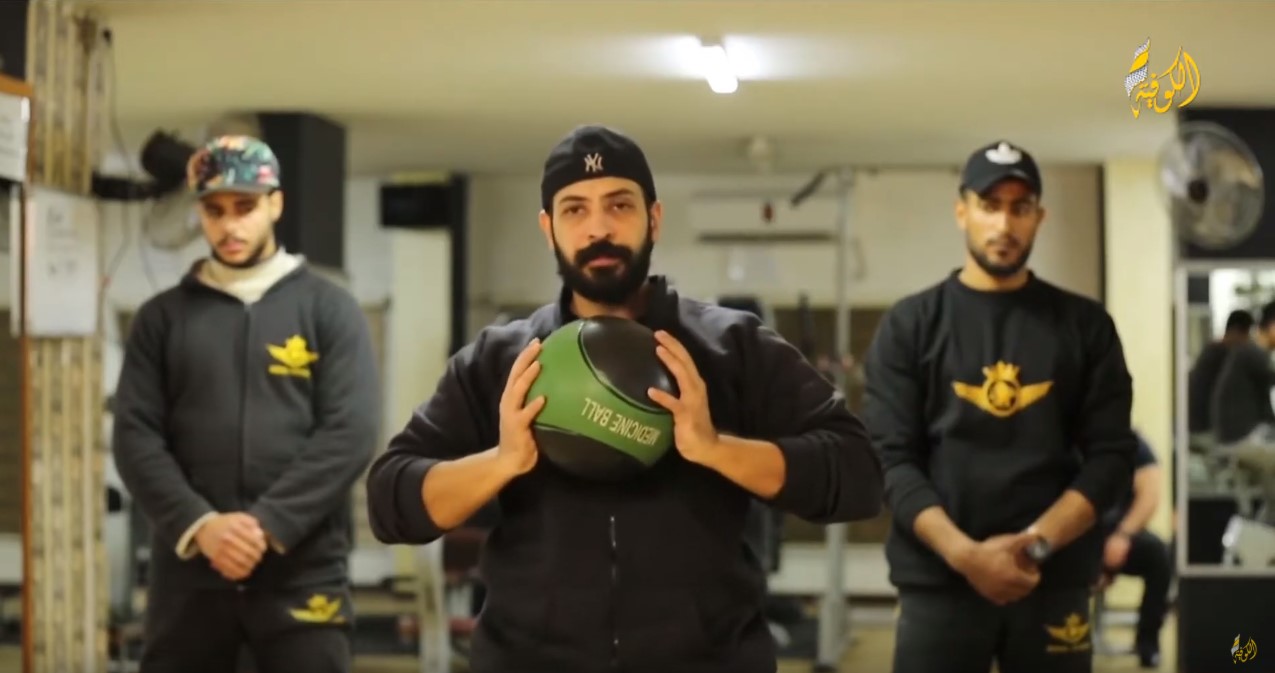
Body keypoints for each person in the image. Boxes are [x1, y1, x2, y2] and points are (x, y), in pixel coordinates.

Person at [365, 124, 885, 673]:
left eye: (619, 205)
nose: (599, 227)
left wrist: (716, 448)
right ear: (548, 228)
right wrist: (503, 461)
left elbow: (859, 476)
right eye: (575, 209)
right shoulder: (500, 361)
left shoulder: (733, 346)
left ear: (653, 219)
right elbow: (391, 501)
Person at [861, 139, 1137, 673]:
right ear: (962, 211)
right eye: (989, 206)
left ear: (1039, 217)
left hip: (1051, 581)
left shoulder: (1084, 326)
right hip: (938, 583)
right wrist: (966, 556)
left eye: (1020, 207)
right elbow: (891, 459)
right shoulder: (911, 325)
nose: (1004, 224)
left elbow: (1110, 458)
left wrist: (1033, 546)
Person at [112, 135, 380, 673]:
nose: (229, 226)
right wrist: (202, 525)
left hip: (303, 572)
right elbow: (135, 437)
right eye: (214, 211)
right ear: (199, 213)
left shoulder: (330, 309)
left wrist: (268, 524)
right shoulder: (161, 319)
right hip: (189, 577)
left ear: (275, 204)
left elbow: (350, 432)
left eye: (245, 207)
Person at [1094, 432, 1170, 669]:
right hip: (1076, 534)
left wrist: (1123, 535)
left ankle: (1148, 645)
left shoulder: (1133, 443)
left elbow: (1149, 495)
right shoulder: (1068, 439)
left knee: (1159, 556)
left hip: (1116, 533)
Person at [1187, 309, 1254, 439]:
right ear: (1236, 331)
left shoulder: (1212, 349)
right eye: (1246, 335)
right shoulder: (1224, 355)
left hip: (1199, 427)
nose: (1246, 341)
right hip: (1205, 430)